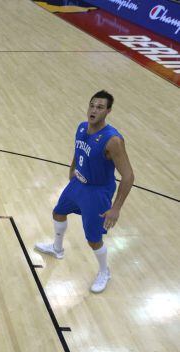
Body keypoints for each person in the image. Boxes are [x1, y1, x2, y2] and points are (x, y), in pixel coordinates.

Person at [34, 91, 135, 293]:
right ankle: (57, 249)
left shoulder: (112, 140)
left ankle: (104, 272)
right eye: (92, 105)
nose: (94, 110)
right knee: (58, 212)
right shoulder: (81, 127)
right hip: (78, 184)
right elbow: (79, 150)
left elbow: (129, 176)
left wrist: (116, 208)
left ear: (108, 111)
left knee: (93, 239)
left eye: (99, 107)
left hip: (97, 193)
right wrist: (72, 168)